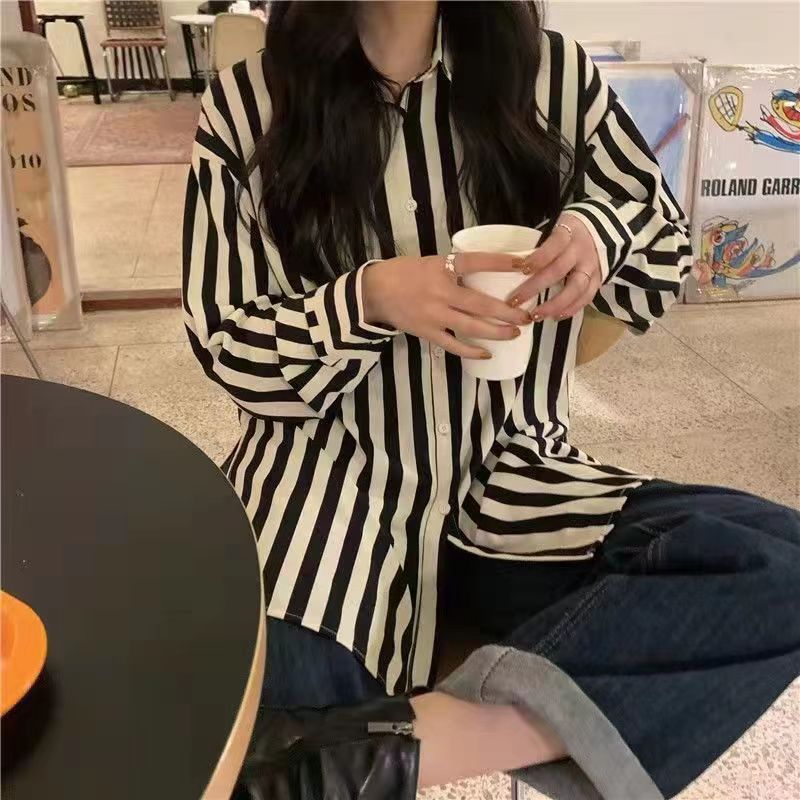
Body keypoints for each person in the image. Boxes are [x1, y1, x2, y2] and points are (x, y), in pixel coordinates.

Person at [183, 2, 800, 798]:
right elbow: (228, 344)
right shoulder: (249, 105)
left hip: (513, 478)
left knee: (776, 564)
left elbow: (661, 248)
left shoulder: (551, 77)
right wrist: (368, 299)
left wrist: (596, 234)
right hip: (322, 488)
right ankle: (365, 751)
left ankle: (399, 750)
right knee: (263, 710)